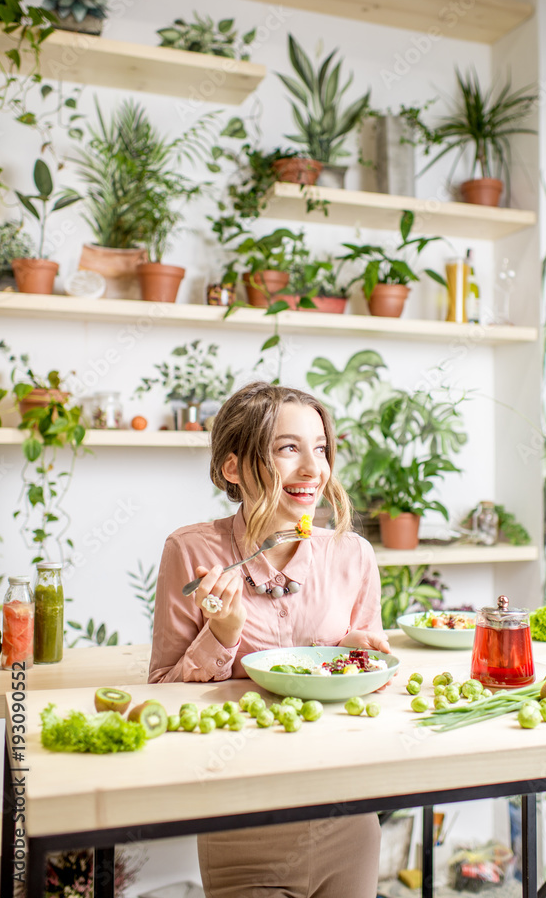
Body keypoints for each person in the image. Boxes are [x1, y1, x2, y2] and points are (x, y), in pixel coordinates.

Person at [149, 380, 390, 898]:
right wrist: (223, 635)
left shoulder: (352, 556)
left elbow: (368, 687)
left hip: (345, 813)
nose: (313, 469)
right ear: (233, 468)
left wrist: (357, 656)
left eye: (320, 449)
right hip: (241, 820)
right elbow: (163, 692)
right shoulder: (191, 552)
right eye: (288, 449)